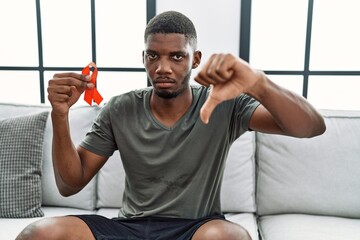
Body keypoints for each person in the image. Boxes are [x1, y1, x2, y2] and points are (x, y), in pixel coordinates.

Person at [16, 10, 326, 240]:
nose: (163, 67)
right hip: (131, 228)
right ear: (144, 58)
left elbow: (311, 127)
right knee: (40, 233)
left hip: (196, 229)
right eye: (154, 56)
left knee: (230, 237)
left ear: (195, 59)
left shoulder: (223, 103)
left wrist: (258, 82)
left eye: (177, 56)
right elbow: (70, 184)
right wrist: (59, 113)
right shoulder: (121, 108)